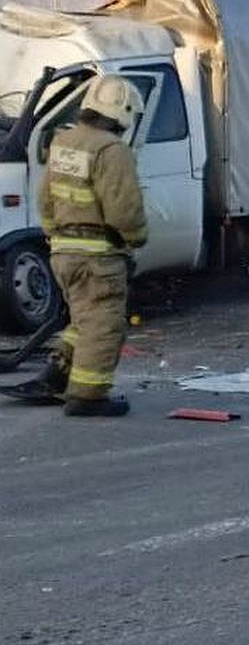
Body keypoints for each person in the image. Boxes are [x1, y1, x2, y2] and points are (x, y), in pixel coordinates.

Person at [31, 75, 147, 416]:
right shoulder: (112, 150)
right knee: (103, 323)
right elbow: (124, 209)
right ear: (123, 112)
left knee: (84, 317)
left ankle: (58, 372)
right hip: (98, 256)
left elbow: (45, 198)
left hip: (63, 253)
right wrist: (136, 239)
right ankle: (87, 395)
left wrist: (55, 235)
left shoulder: (63, 143)